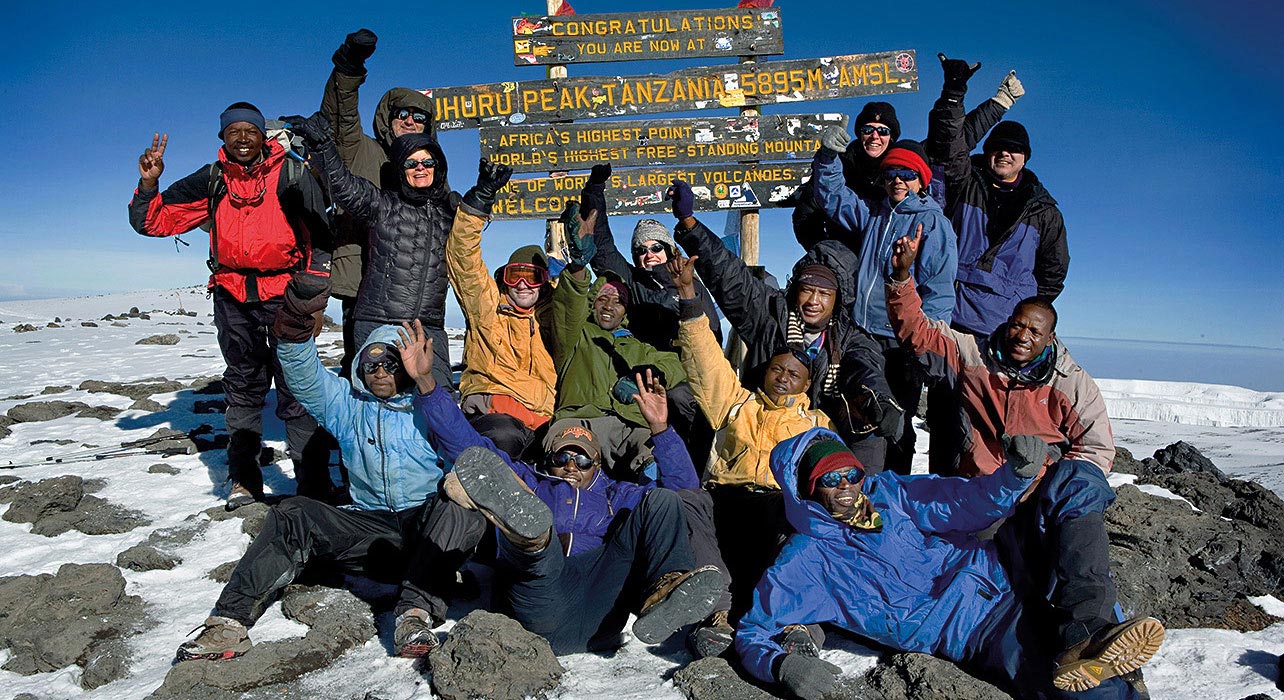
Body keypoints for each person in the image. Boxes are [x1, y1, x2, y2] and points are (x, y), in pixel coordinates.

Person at [885, 227, 1150, 694]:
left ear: (1050, 338)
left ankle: (1093, 637)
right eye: (1018, 325)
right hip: (986, 500)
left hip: (1044, 500)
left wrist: (1048, 481)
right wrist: (901, 278)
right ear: (1008, 322)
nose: (1023, 336)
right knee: (1023, 595)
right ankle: (1088, 656)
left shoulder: (1070, 382)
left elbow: (1096, 449)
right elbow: (918, 332)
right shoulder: (974, 356)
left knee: (1078, 492)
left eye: (1035, 331)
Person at [175, 289, 487, 662]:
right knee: (293, 513)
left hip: (428, 531)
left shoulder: (431, 406)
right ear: (360, 368)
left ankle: (412, 617)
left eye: (391, 364)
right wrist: (295, 327)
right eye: (372, 365)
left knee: (462, 508)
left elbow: (467, 451)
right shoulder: (346, 404)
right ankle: (228, 623)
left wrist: (428, 387)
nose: (381, 372)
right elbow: (304, 377)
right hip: (371, 533)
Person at [736, 429, 1164, 700]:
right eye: (831, 479)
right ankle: (1108, 660)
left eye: (853, 475)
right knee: (1074, 687)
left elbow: (961, 503)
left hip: (1005, 563)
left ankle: (1086, 626)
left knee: (1074, 479)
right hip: (980, 629)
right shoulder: (804, 562)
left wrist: (1014, 475)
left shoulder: (889, 494)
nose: (847, 486)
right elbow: (754, 631)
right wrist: (780, 666)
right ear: (807, 489)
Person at [402, 321, 722, 655]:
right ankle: (533, 537)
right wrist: (426, 383)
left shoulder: (617, 493)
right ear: (547, 460)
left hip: (600, 607)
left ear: (596, 465)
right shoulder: (528, 480)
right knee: (523, 519)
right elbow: (468, 448)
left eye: (582, 459)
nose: (571, 465)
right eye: (562, 456)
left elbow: (685, 490)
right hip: (538, 606)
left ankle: (665, 587)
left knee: (663, 500)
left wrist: (660, 428)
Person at [128, 103, 335, 508]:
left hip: (286, 297)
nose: (242, 138)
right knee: (243, 387)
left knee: (297, 387)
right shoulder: (212, 180)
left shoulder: (291, 174)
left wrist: (312, 303)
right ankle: (244, 480)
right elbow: (153, 222)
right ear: (222, 137)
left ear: (262, 136)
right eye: (233, 131)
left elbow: (319, 238)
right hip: (232, 298)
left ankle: (313, 484)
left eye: (250, 131)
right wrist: (149, 184)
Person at [666, 180, 901, 472]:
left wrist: (876, 399)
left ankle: (857, 494)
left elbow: (865, 368)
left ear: (838, 299)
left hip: (817, 431)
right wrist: (689, 222)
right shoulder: (770, 316)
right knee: (704, 405)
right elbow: (728, 275)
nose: (813, 301)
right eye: (807, 290)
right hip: (760, 423)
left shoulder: (849, 338)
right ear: (795, 290)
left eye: (824, 293)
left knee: (869, 429)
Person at [668, 253, 831, 657]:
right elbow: (705, 361)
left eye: (794, 374)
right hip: (728, 502)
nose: (783, 378)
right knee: (687, 502)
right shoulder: (737, 403)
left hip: (777, 509)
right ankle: (716, 614)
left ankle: (799, 621)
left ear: (807, 384)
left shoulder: (816, 424)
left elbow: (833, 472)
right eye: (777, 370)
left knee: (804, 522)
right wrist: (687, 294)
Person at [809, 130, 958, 474]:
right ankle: (864, 482)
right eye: (891, 174)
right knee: (864, 413)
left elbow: (938, 290)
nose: (898, 181)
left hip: (902, 341)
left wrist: (927, 345)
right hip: (863, 333)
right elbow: (833, 197)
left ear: (921, 180)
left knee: (897, 421)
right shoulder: (876, 214)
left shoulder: (932, 223)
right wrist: (828, 157)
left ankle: (894, 488)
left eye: (907, 174)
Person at [284, 110, 455, 390]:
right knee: (374, 400)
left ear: (438, 167)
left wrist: (484, 192)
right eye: (411, 163)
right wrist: (323, 146)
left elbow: (471, 231)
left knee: (439, 397)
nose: (420, 168)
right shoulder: (381, 204)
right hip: (378, 320)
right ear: (400, 169)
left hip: (428, 324)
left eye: (427, 162)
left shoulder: (448, 212)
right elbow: (344, 185)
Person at [321, 28, 447, 377]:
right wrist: (348, 67)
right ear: (388, 119)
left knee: (416, 375)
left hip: (415, 290)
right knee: (367, 368)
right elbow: (341, 117)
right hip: (361, 277)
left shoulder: (430, 166)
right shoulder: (361, 149)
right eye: (402, 114)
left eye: (419, 117)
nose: (410, 120)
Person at [928, 54, 1065, 338]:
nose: (1004, 153)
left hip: (1003, 331)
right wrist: (953, 93)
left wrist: (1023, 311)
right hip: (949, 317)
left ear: (1025, 158)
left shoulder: (1044, 212)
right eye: (997, 147)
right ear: (986, 152)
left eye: (1014, 149)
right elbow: (948, 143)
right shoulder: (964, 182)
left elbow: (1053, 273)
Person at [550, 205, 687, 477]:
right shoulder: (575, 335)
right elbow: (569, 304)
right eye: (602, 298)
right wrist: (578, 266)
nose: (609, 306)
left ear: (626, 310)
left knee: (658, 462)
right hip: (581, 421)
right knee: (573, 460)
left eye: (618, 301)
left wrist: (650, 373)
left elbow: (675, 364)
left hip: (629, 426)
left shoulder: (637, 345)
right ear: (592, 302)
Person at [793, 87, 1017, 249]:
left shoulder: (907, 162)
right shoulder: (836, 166)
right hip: (845, 255)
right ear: (859, 133)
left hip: (892, 253)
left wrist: (999, 102)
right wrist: (828, 251)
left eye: (883, 131)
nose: (875, 136)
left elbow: (952, 141)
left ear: (892, 137)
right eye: (868, 129)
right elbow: (806, 213)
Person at [446, 159, 556, 460]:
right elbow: (463, 259)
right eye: (514, 275)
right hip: (496, 417)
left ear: (544, 283)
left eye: (532, 277)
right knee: (502, 439)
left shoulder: (553, 317)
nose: (522, 284)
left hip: (545, 421)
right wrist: (479, 200)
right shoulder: (487, 307)